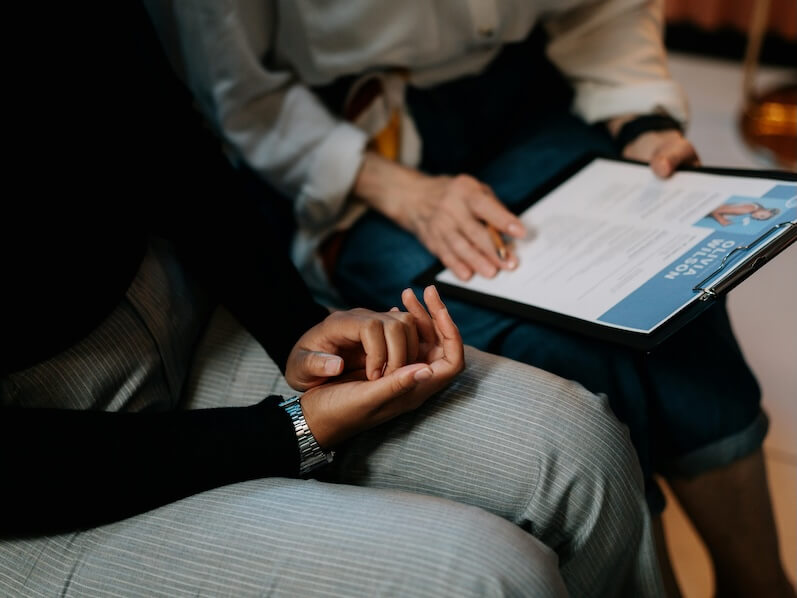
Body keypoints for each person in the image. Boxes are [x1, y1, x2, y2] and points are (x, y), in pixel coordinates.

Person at [0, 3, 665, 596]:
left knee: (583, 448)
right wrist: (288, 433)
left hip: (183, 309)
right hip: (41, 467)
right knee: (488, 576)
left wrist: (297, 326)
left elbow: (163, 130)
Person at [142, 2, 796, 596]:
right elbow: (242, 96)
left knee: (674, 298)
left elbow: (600, 9)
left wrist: (642, 120)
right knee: (552, 349)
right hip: (347, 144)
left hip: (517, 95)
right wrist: (402, 191)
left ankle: (761, 583)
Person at [708, 202, 780, 226]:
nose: (757, 217)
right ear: (767, 210)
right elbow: (715, 211)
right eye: (762, 215)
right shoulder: (749, 209)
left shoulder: (751, 209)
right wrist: (722, 221)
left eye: (759, 219)